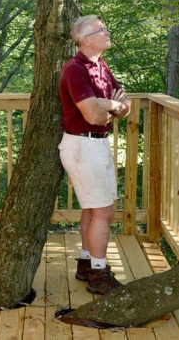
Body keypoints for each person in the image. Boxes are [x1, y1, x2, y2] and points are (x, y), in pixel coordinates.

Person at [58, 15, 130, 295]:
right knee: (104, 210)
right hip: (83, 145)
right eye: (102, 30)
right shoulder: (76, 69)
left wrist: (110, 104)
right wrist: (110, 108)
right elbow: (92, 116)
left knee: (93, 207)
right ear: (86, 39)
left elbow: (125, 104)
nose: (108, 32)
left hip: (95, 144)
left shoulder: (100, 65)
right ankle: (99, 275)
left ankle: (87, 264)